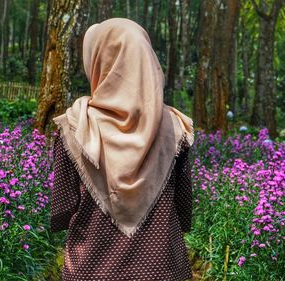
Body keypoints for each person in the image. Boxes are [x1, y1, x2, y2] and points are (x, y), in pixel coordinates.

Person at [50, 18, 195, 281]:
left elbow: (62, 207)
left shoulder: (74, 126)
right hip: (161, 269)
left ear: (97, 60)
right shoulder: (175, 127)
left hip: (91, 269)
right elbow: (183, 206)